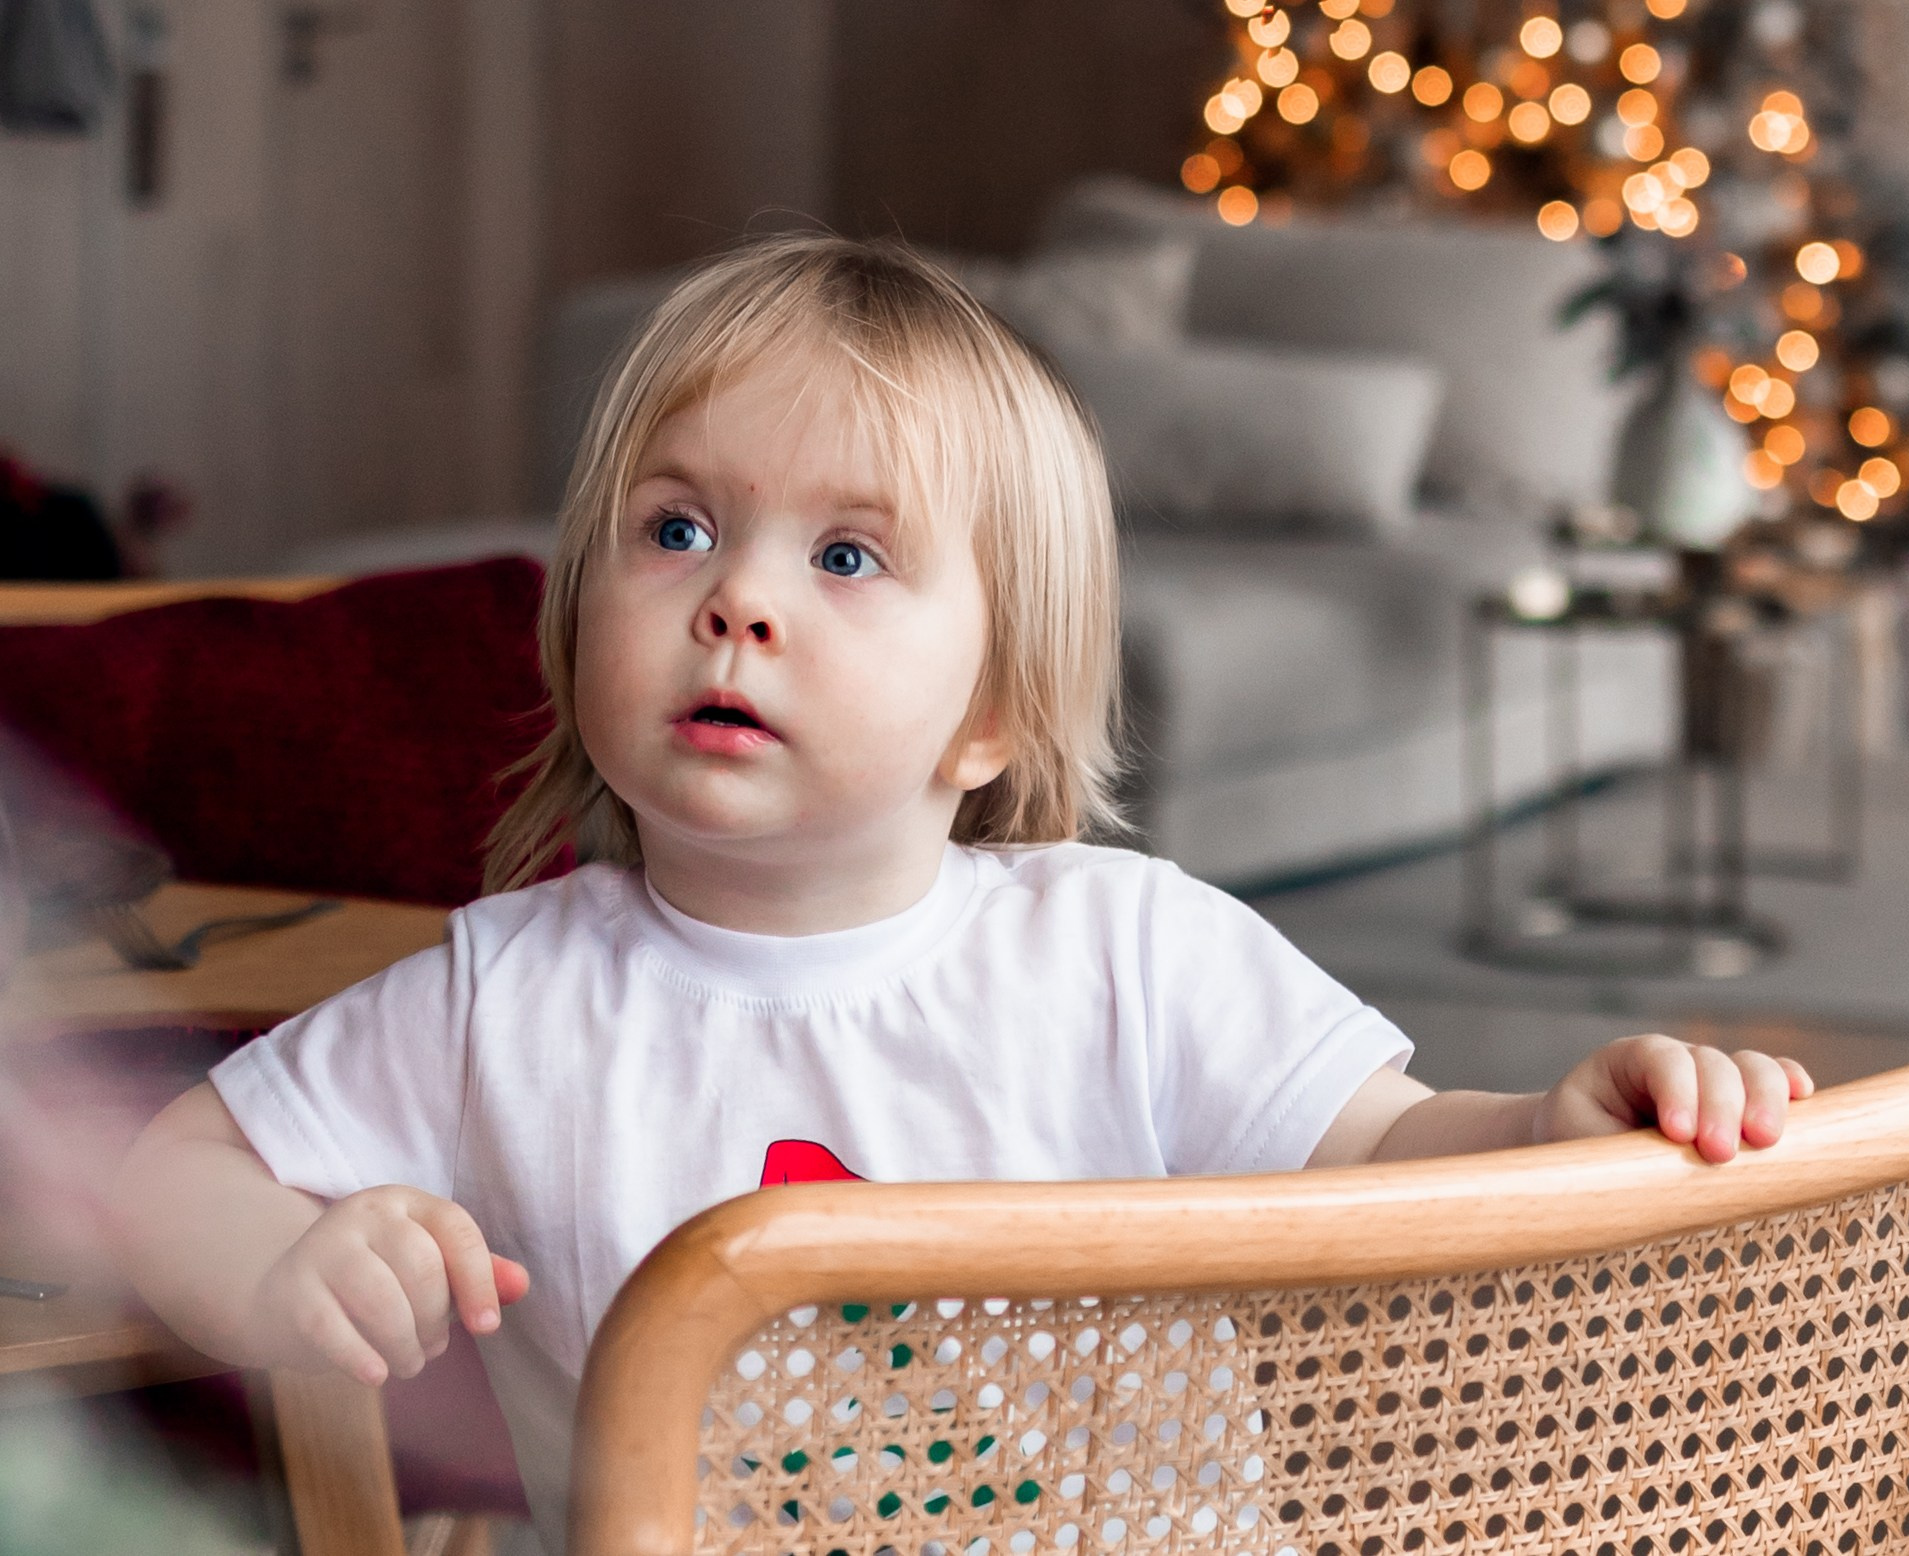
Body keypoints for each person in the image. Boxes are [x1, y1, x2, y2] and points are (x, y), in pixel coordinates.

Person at [111, 237, 1813, 1551]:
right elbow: (169, 1171)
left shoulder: (1125, 949)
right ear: (574, 622)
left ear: (994, 712)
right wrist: (278, 1267)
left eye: (847, 557)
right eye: (677, 529)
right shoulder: (500, 1000)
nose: (738, 603)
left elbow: (1377, 1157)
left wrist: (1548, 1124)